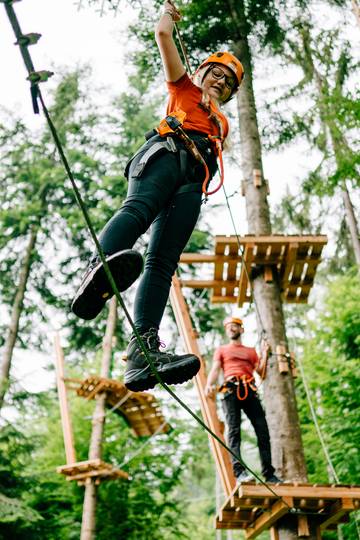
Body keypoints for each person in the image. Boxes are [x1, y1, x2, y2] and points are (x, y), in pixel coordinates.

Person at [71, 0, 244, 393]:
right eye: (213, 73)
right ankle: (93, 271)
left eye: (226, 81)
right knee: (137, 211)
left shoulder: (223, 122)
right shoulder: (181, 86)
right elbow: (163, 35)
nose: (218, 81)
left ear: (230, 93)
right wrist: (168, 13)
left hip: (193, 183)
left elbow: (217, 152)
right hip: (167, 154)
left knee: (162, 263)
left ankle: (142, 354)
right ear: (200, 72)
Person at [205, 317, 282, 484]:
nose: (231, 329)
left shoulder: (250, 351)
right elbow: (216, 369)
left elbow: (261, 373)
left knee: (263, 431)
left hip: (250, 389)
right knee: (234, 431)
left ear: (241, 329)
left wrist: (264, 354)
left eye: (235, 327)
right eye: (229, 327)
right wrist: (209, 385)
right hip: (231, 390)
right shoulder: (222, 350)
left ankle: (269, 474)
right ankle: (240, 473)